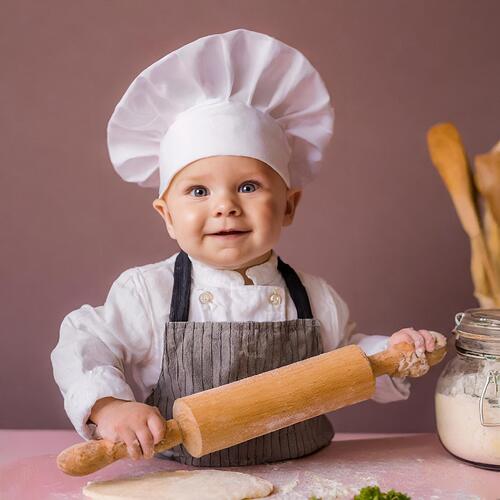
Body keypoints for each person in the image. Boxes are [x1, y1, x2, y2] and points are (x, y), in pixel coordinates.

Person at [51, 28, 444, 467]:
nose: (225, 206)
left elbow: (353, 358)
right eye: (198, 192)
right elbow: (83, 342)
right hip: (184, 481)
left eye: (248, 186)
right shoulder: (148, 294)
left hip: (310, 474)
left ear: (289, 206)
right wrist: (109, 406)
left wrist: (396, 351)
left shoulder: (315, 298)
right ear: (166, 215)